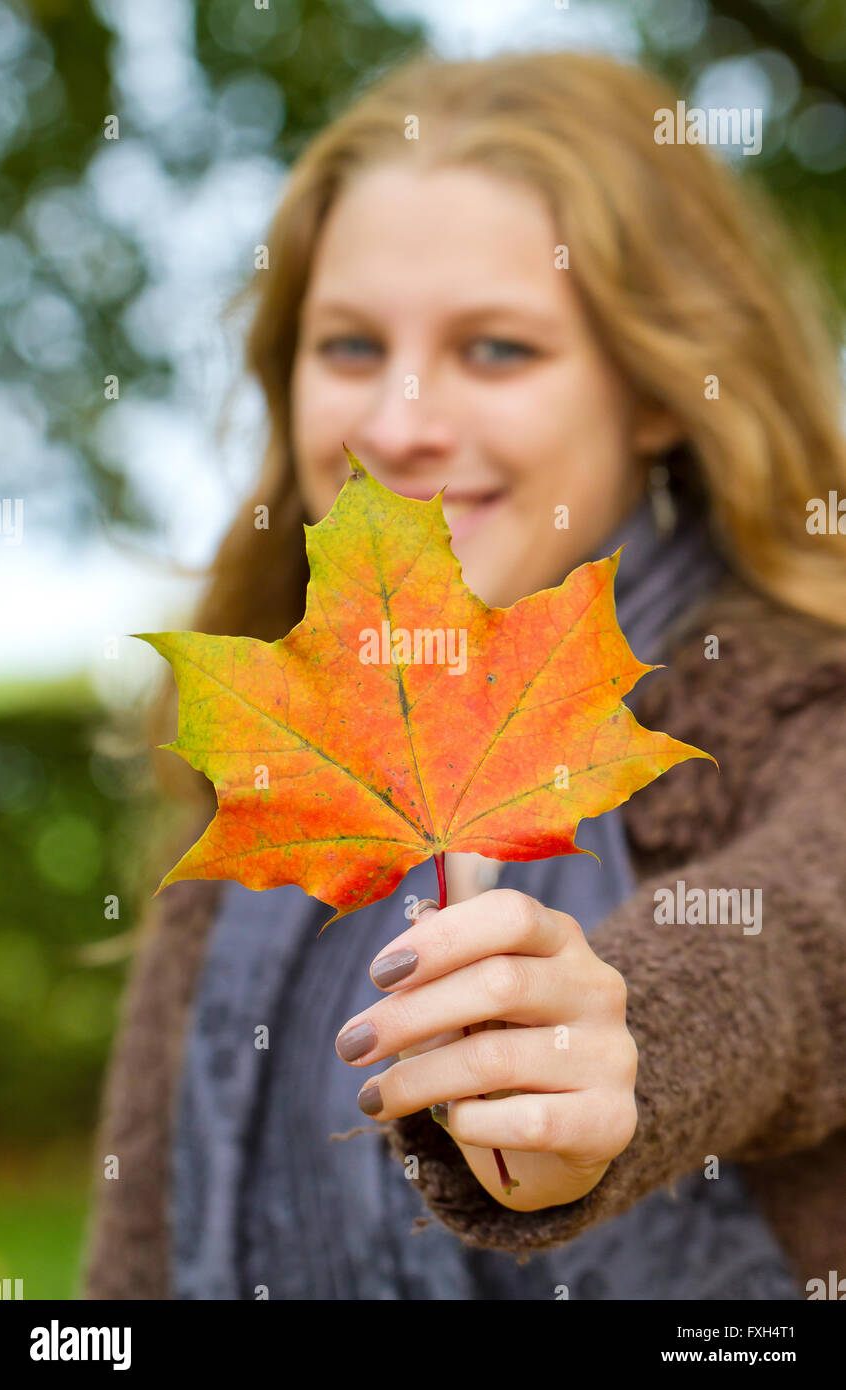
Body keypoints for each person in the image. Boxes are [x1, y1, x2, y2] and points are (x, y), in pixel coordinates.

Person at [81, 49, 846, 1301]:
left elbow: (794, 933)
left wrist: (614, 1044)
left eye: (495, 348)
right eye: (348, 347)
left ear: (656, 388)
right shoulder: (267, 768)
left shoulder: (790, 704)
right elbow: (132, 1267)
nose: (398, 423)